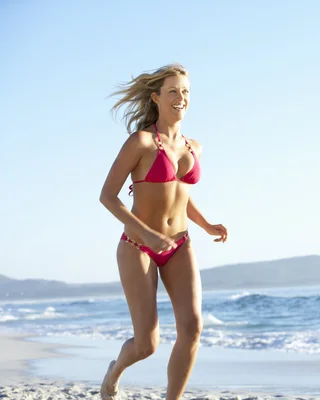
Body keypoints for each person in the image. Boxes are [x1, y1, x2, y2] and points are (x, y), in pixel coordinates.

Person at [98, 63, 228, 400]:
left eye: (185, 91)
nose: (181, 97)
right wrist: (149, 234)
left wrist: (206, 224)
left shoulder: (194, 147)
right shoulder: (141, 142)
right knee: (146, 345)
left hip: (180, 244)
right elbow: (107, 197)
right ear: (156, 97)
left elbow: (179, 196)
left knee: (192, 328)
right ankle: (114, 372)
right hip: (137, 246)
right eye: (173, 91)